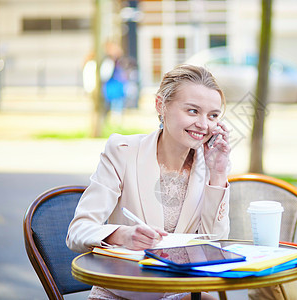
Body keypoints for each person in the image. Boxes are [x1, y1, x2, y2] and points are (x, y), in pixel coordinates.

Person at [66, 64, 231, 300]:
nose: (204, 125)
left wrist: (218, 173)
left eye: (213, 115)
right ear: (160, 105)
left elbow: (215, 247)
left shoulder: (210, 165)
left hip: (181, 292)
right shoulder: (122, 151)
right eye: (193, 111)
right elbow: (78, 231)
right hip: (124, 292)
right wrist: (123, 235)